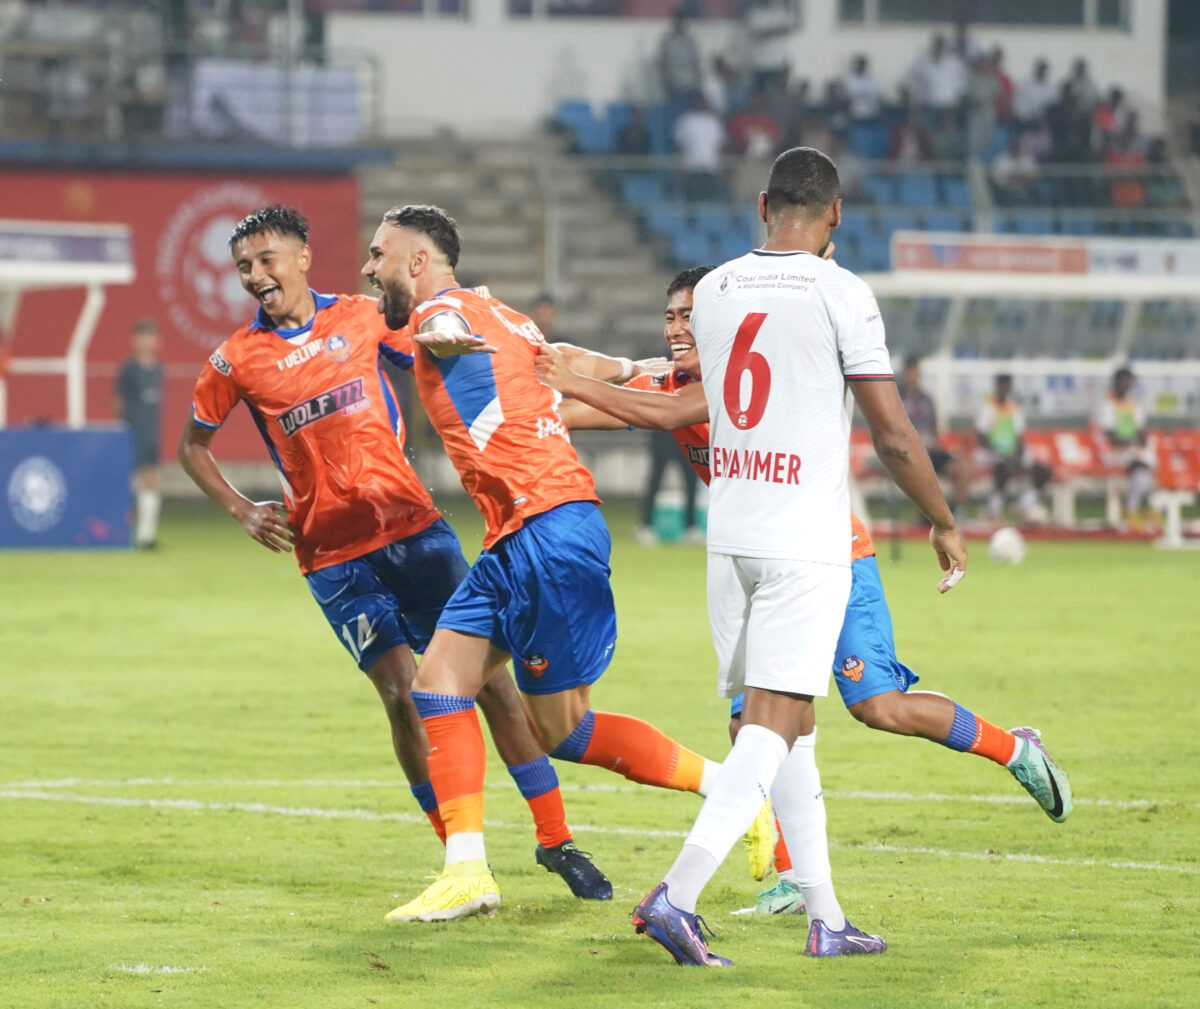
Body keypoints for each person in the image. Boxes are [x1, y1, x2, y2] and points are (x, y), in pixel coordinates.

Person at [539, 266, 1073, 917]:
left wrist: (583, 379)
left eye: (690, 315)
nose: (679, 327)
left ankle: (1015, 748)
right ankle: (798, 879)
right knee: (764, 724)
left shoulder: (744, 377)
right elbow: (575, 408)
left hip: (830, 553)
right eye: (671, 316)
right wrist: (516, 396)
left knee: (879, 706)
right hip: (764, 565)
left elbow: (658, 408)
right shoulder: (669, 376)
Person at [177, 205, 611, 909]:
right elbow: (191, 446)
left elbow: (449, 351)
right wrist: (243, 508)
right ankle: (458, 861)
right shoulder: (235, 359)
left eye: (267, 261)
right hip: (332, 558)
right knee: (402, 694)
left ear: (303, 256)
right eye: (244, 268)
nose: (257, 277)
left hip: (415, 532)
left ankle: (556, 837)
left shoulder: (366, 316)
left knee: (495, 687)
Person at [633, 146, 971, 967]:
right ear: (836, 214)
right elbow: (892, 433)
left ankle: (827, 915)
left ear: (761, 205)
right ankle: (675, 895)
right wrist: (942, 518)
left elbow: (696, 397)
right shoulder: (840, 291)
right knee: (772, 727)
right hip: (802, 541)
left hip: (732, 538)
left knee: (791, 731)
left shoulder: (713, 289)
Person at [362, 204, 728, 924]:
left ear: (416, 261)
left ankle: (734, 792)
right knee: (436, 685)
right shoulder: (509, 318)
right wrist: (639, 367)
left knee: (569, 731)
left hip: (549, 530)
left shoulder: (446, 315)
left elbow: (444, 331)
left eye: (378, 255)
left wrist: (440, 331)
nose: (369, 268)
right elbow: (575, 360)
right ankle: (467, 871)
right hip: (519, 534)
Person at [114, 317, 164, 549]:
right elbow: (118, 402)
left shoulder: (158, 369)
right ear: (134, 341)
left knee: (152, 481)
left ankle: (147, 536)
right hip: (131, 434)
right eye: (142, 337)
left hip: (151, 434)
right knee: (130, 483)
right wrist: (122, 428)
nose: (147, 342)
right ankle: (121, 533)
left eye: (151, 337)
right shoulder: (128, 369)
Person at [975, 373, 1052, 521]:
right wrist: (999, 451)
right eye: (1001, 386)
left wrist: (1018, 453)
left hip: (1011, 453)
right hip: (990, 453)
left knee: (1042, 470)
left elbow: (1019, 437)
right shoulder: (987, 407)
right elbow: (982, 438)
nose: (1004, 390)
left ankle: (1025, 506)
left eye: (1007, 386)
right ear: (996, 387)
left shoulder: (1014, 408)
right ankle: (994, 509)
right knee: (1003, 467)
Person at [899, 357, 971, 514]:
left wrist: (935, 443)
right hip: (908, 452)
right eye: (910, 373)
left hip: (930, 451)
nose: (913, 377)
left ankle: (954, 511)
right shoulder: (896, 399)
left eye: (915, 373)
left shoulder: (926, 400)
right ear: (904, 374)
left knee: (962, 469)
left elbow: (934, 429)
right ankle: (929, 515)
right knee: (926, 474)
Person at [1094, 366, 1156, 528]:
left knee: (1150, 464)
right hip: (1110, 453)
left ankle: (1150, 508)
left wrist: (1139, 440)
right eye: (1122, 381)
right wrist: (1134, 441)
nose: (1125, 385)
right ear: (1115, 383)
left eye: (1128, 382)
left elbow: (1141, 432)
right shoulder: (1106, 404)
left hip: (1131, 451)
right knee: (1142, 464)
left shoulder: (1133, 404)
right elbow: (1112, 437)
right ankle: (1132, 510)